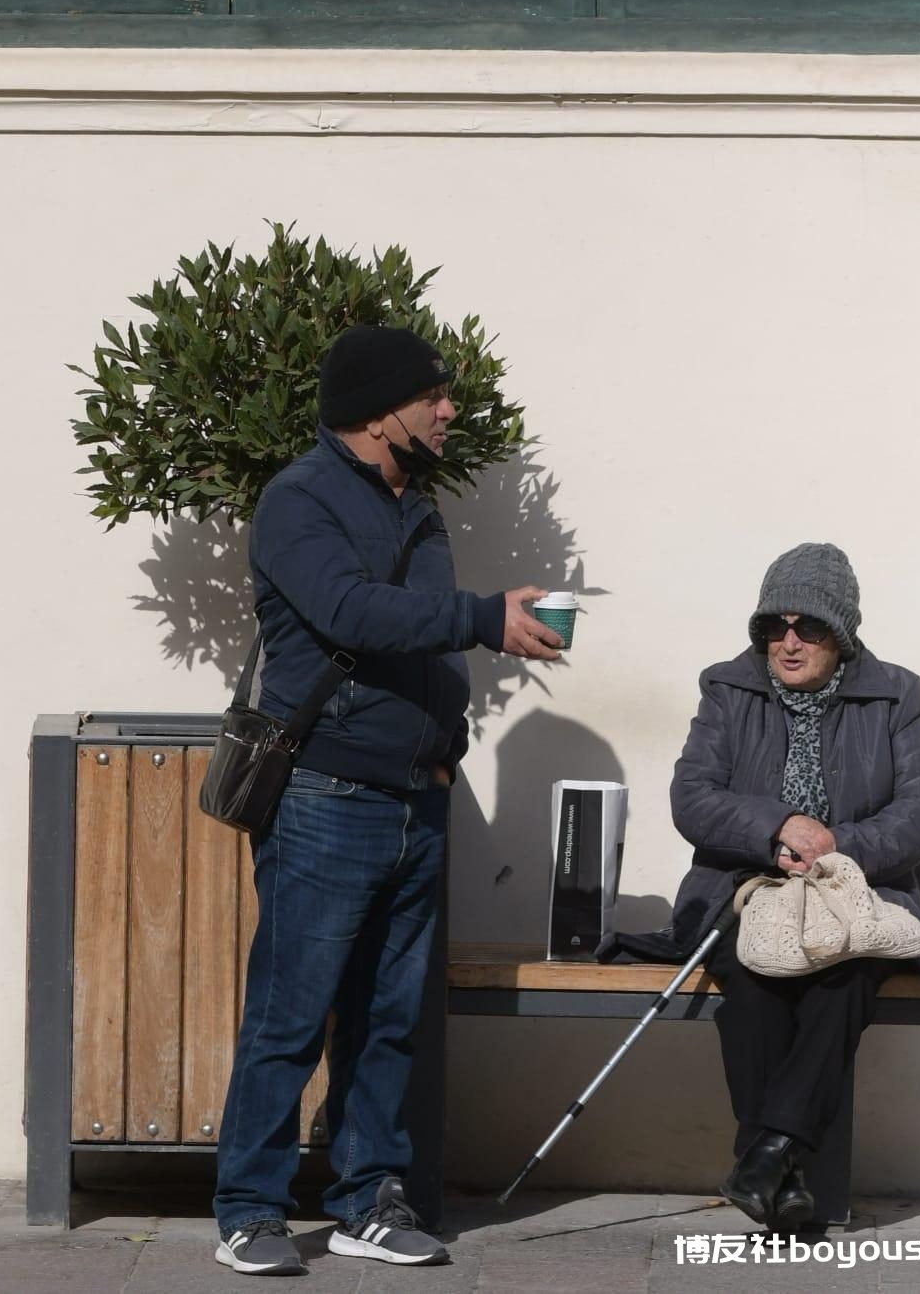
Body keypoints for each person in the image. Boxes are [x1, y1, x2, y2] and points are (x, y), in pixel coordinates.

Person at [213, 324, 564, 1275]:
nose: (451, 410)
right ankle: (248, 1210)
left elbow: (420, 644)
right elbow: (352, 612)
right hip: (326, 794)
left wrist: (445, 747)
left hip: (415, 797)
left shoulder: (417, 503)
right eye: (434, 396)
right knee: (292, 1012)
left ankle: (369, 1200)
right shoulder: (299, 500)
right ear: (379, 412)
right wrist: (484, 615)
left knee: (389, 1016)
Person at [669, 542, 920, 1231]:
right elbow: (692, 797)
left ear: (840, 635)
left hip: (858, 893)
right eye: (772, 627)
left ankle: (769, 1152)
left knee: (843, 979)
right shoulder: (728, 687)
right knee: (754, 986)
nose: (787, 642)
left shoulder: (896, 693)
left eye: (807, 627)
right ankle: (785, 1174)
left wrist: (836, 850)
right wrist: (777, 826)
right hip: (742, 888)